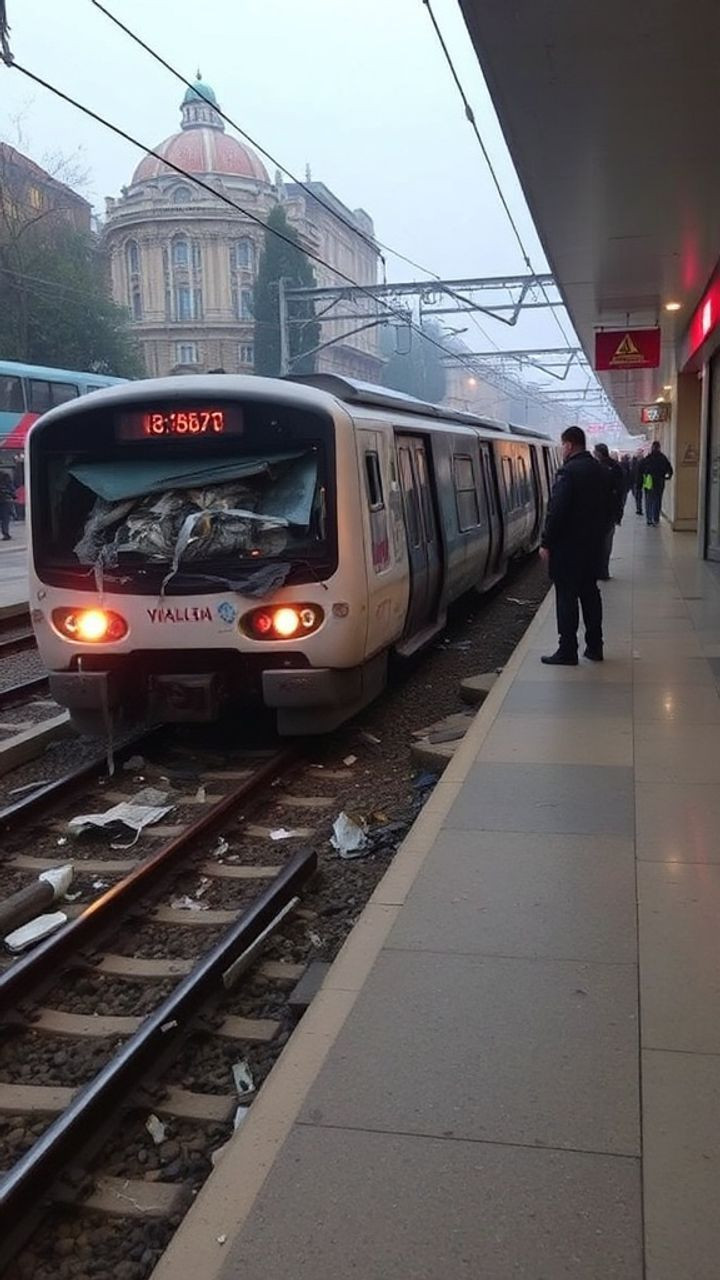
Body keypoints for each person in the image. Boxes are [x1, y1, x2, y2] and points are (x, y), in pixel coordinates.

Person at [540, 425, 612, 665]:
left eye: (563, 445)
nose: (562, 449)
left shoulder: (568, 472)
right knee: (590, 595)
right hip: (593, 546)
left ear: (569, 445)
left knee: (566, 598)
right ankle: (595, 646)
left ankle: (567, 650)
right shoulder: (601, 470)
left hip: (568, 550)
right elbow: (611, 506)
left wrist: (546, 542)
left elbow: (557, 511)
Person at [593, 442, 625, 579]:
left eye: (595, 452)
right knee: (607, 542)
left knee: (599, 542)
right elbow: (621, 491)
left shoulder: (595, 468)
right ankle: (603, 570)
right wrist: (619, 512)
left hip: (599, 512)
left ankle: (598, 569)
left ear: (599, 453)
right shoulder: (616, 467)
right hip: (610, 511)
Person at [642, 440, 673, 526]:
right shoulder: (663, 458)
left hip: (649, 481)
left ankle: (649, 519)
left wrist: (644, 477)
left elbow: (642, 468)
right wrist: (667, 477)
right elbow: (670, 469)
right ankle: (655, 518)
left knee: (649, 500)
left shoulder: (649, 458)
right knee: (657, 500)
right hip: (660, 482)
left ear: (652, 447)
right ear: (659, 448)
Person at [0, 471, 15, 541]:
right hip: (5, 500)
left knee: (5, 518)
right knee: (5, 518)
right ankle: (5, 533)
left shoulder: (5, 475)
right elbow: (11, 488)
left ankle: (6, 533)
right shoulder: (5, 475)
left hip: (4, 500)